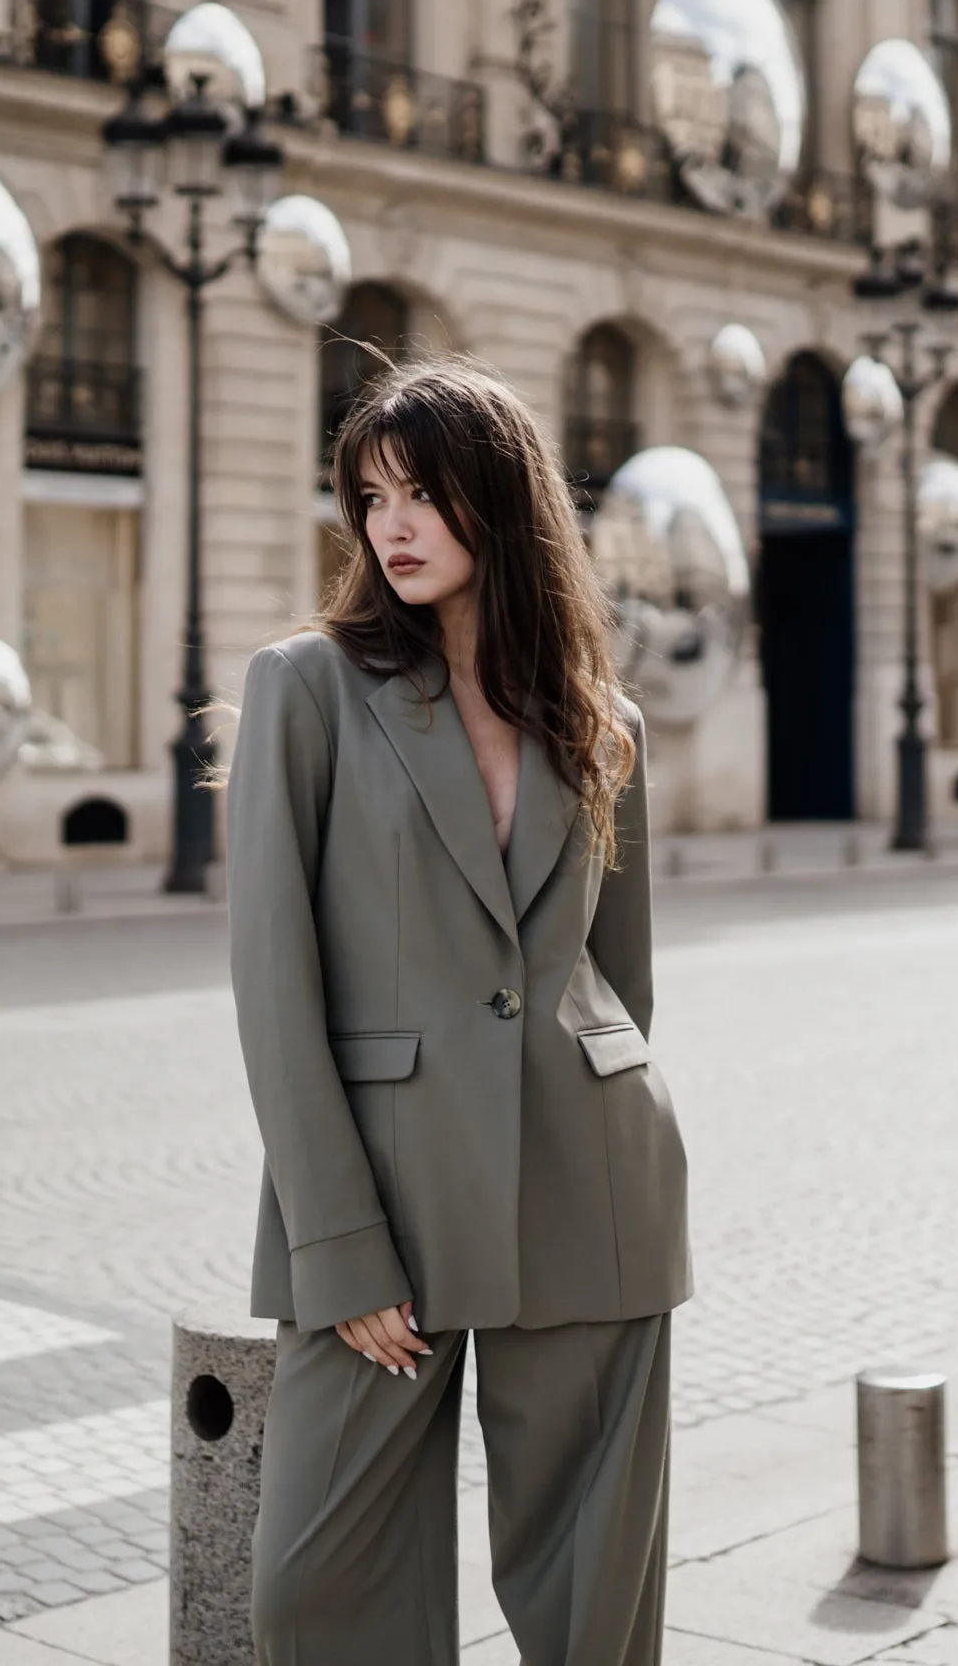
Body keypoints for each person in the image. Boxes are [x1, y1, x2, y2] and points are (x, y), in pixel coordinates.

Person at [226, 357, 692, 1666]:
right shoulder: (305, 691)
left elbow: (624, 982)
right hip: (387, 1199)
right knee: (314, 1590)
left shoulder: (603, 724)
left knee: (590, 1603)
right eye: (371, 497)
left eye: (425, 493)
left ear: (503, 499)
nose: (394, 527)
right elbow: (275, 986)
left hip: (591, 1192)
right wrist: (340, 1240)